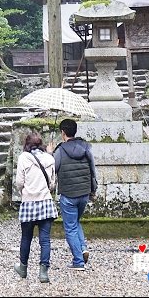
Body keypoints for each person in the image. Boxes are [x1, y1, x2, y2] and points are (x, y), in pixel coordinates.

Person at [49, 118, 97, 270]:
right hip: (84, 193)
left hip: (68, 194)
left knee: (70, 227)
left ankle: (78, 261)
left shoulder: (60, 150)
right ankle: (82, 248)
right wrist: (93, 190)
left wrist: (50, 154)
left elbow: (53, 169)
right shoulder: (85, 146)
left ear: (63, 132)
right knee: (75, 221)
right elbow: (92, 169)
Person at [14, 132, 57, 283]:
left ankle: (23, 268)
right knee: (45, 240)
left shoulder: (23, 158)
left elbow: (19, 182)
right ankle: (43, 273)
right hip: (45, 202)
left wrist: (24, 192)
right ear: (41, 144)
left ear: (27, 144)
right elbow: (52, 184)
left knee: (26, 238)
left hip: (28, 203)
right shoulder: (50, 158)